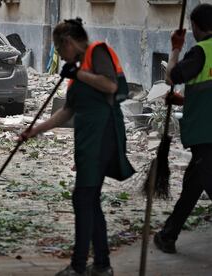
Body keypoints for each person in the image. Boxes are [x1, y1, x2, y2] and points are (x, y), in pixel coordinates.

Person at [20, 18, 135, 276]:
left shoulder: (97, 52)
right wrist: (34, 130)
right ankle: (102, 265)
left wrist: (78, 73)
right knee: (90, 200)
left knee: (83, 199)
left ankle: (79, 266)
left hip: (103, 137)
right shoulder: (79, 67)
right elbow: (67, 111)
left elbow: (111, 85)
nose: (61, 58)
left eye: (60, 51)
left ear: (69, 43)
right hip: (87, 141)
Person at [154, 3, 212, 254]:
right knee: (192, 186)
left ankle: (168, 234)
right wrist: (184, 101)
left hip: (206, 133)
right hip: (205, 133)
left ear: (197, 27)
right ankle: (168, 235)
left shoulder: (201, 52)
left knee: (202, 181)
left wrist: (175, 48)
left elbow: (172, 77)